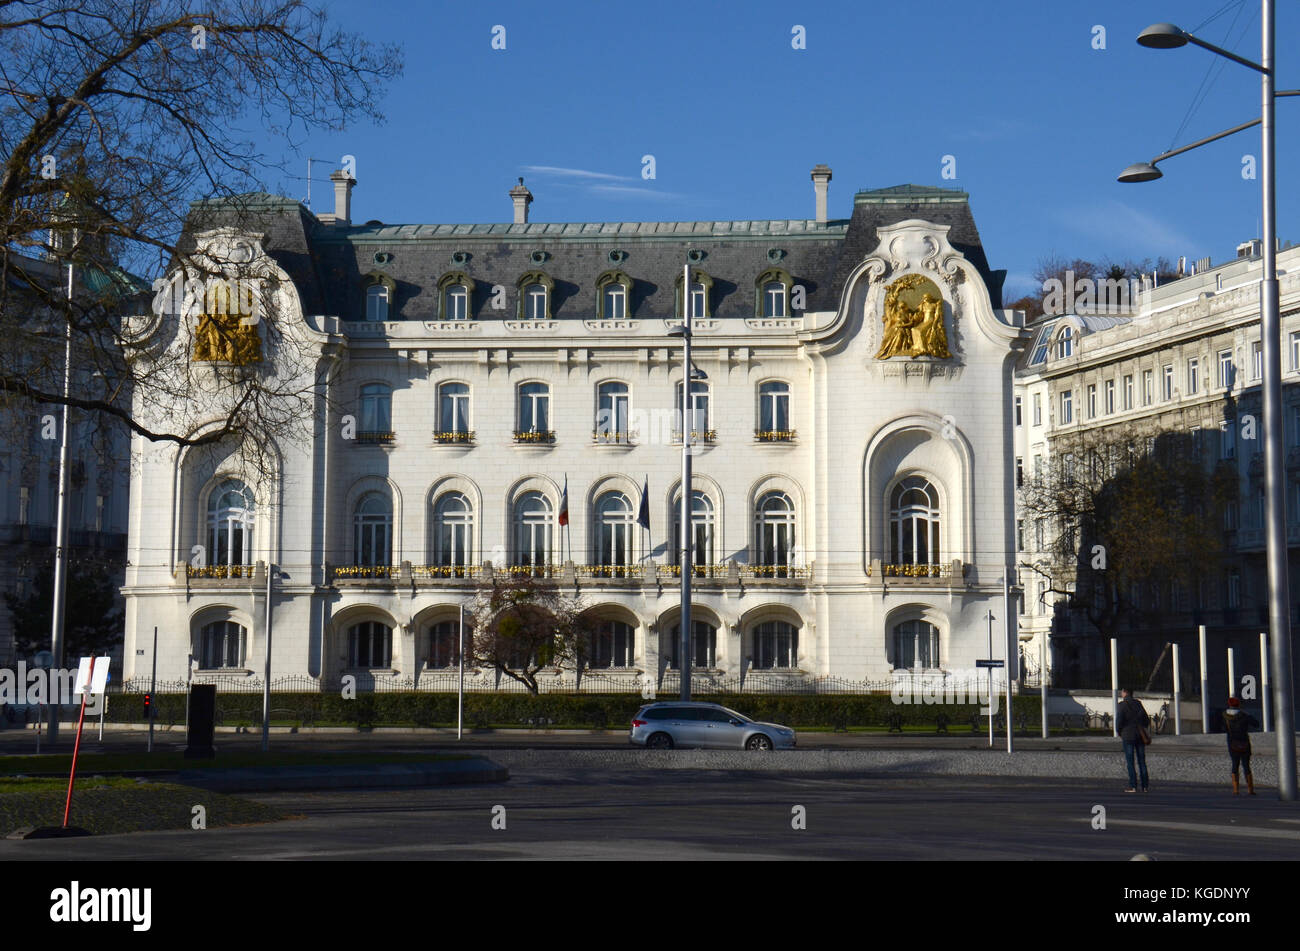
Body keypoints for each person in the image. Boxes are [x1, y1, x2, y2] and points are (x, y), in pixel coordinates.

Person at [1116, 687, 1151, 792]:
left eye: (1122, 692)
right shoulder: (1138, 704)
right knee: (1142, 761)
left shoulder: (1122, 705)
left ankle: (1133, 786)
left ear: (1125, 693)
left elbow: (1119, 721)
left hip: (1127, 735)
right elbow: (1146, 720)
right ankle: (1145, 786)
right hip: (1139, 735)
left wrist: (1120, 732)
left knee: (1130, 762)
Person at [1224, 696, 1255, 796]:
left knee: (1235, 765)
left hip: (1232, 743)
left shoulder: (1224, 716)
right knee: (1246, 765)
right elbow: (1256, 724)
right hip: (1244, 743)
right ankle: (1250, 789)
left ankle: (1236, 789)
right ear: (1238, 705)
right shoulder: (1244, 716)